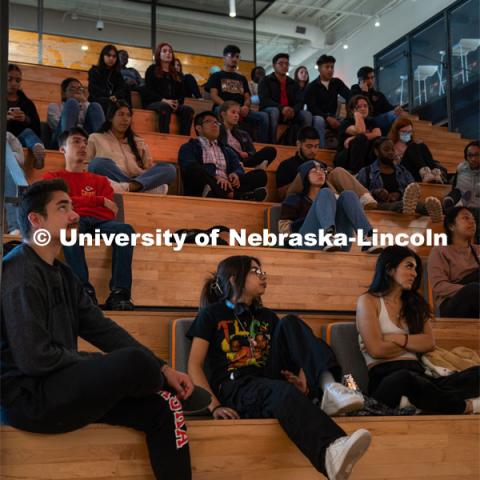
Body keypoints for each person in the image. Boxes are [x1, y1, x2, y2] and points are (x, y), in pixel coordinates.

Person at [1, 179, 194, 480]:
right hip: (30, 398)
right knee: (134, 363)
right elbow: (34, 359)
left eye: (73, 207)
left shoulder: (63, 273)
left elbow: (102, 328)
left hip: (64, 389)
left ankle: (161, 383)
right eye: (63, 208)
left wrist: (165, 368)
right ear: (35, 220)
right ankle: (151, 378)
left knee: (163, 406)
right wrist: (105, 365)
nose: (75, 215)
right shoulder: (19, 271)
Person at [187, 255, 372, 479]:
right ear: (234, 279)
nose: (263, 276)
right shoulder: (211, 315)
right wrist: (214, 406)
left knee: (291, 322)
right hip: (236, 386)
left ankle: (330, 387)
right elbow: (194, 366)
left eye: (262, 271)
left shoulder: (268, 317)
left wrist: (300, 379)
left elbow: (289, 356)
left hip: (267, 379)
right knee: (281, 392)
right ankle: (329, 451)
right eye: (255, 271)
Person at [357, 245, 479, 413]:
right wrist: (415, 343)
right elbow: (377, 349)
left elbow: (429, 343)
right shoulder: (368, 301)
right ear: (389, 269)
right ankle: (467, 406)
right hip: (387, 379)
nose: (414, 273)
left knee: (475, 374)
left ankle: (417, 403)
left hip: (421, 375)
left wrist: (396, 338)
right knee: (405, 379)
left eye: (415, 268)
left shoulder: (415, 304)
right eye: (409, 266)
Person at [43, 127, 135, 309]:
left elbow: (110, 212)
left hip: (100, 223)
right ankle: (84, 291)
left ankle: (119, 293)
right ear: (62, 149)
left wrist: (73, 204)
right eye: (76, 141)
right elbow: (54, 206)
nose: (83, 146)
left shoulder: (100, 180)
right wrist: (97, 201)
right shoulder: (53, 178)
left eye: (85, 142)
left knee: (126, 230)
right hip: (73, 223)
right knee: (70, 227)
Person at [280, 160, 381, 253]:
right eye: (314, 170)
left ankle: (368, 239)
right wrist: (316, 217)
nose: (320, 173)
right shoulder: (295, 198)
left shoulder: (333, 197)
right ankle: (328, 236)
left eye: (322, 170)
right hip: (307, 242)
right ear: (305, 176)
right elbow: (284, 231)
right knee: (325, 193)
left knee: (348, 194)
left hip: (339, 242)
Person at [87, 100, 176, 194]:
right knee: (97, 164)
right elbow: (86, 166)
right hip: (112, 179)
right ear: (110, 118)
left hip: (137, 178)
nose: (125, 119)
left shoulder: (138, 142)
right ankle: (139, 188)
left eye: (128, 115)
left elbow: (148, 168)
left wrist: (146, 178)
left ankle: (132, 187)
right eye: (121, 114)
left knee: (170, 169)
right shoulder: (95, 138)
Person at [275, 127, 377, 207]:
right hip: (300, 198)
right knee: (313, 168)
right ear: (298, 145)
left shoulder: (320, 163)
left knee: (337, 170)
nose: (313, 151)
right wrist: (308, 175)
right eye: (309, 146)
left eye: (316, 146)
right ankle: (331, 196)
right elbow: (283, 195)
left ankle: (364, 197)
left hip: (321, 197)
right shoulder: (286, 164)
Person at [178, 111, 268, 201]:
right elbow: (189, 167)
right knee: (194, 169)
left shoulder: (226, 149)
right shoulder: (189, 147)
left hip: (227, 184)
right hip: (205, 185)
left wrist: (235, 173)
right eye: (209, 121)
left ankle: (225, 194)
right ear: (198, 128)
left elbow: (238, 166)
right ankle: (237, 196)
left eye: (217, 122)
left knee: (260, 175)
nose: (215, 124)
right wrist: (215, 176)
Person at [356, 137, 443, 222]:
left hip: (401, 201)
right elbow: (358, 194)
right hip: (378, 204)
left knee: (423, 206)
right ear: (376, 152)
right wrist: (375, 192)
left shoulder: (402, 170)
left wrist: (399, 193)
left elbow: (414, 188)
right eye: (386, 150)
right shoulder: (366, 172)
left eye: (392, 150)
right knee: (400, 205)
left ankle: (439, 214)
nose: (390, 152)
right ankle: (407, 208)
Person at [205, 45, 269, 143]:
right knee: (219, 111)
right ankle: (222, 142)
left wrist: (246, 106)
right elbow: (214, 95)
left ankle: (263, 144)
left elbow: (247, 97)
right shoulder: (216, 76)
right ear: (224, 58)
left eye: (237, 57)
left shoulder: (242, 78)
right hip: (223, 107)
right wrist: (227, 107)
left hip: (240, 109)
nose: (235, 59)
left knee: (264, 116)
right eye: (232, 56)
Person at [428, 206, 479, 318]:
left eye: (474, 220)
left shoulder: (478, 250)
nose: (472, 222)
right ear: (451, 226)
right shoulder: (440, 251)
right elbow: (439, 285)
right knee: (473, 290)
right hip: (451, 304)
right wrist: (467, 289)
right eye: (466, 218)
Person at [259, 53, 312, 145]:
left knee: (307, 115)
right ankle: (272, 144)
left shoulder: (293, 83)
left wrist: (293, 110)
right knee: (274, 111)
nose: (284, 66)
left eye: (287, 64)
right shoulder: (266, 80)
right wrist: (282, 108)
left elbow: (300, 101)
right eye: (281, 63)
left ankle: (305, 144)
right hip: (271, 109)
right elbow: (265, 100)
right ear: (274, 66)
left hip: (290, 112)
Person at [143, 43, 194, 135]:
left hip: (172, 104)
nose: (168, 53)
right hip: (155, 102)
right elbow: (148, 90)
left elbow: (181, 94)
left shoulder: (176, 73)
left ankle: (184, 138)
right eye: (165, 51)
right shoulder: (152, 69)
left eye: (170, 51)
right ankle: (164, 136)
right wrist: (164, 100)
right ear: (159, 54)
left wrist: (177, 102)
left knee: (188, 110)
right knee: (164, 106)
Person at [305, 55, 351, 148]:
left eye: (332, 67)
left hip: (334, 116)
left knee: (348, 121)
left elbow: (349, 96)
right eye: (327, 67)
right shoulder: (311, 86)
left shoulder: (337, 82)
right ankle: (321, 149)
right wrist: (327, 117)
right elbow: (312, 107)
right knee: (319, 121)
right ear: (319, 69)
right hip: (318, 116)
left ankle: (344, 150)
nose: (330, 70)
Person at [47, 77, 105, 148]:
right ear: (63, 94)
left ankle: (101, 147)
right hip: (61, 140)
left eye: (80, 89)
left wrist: (84, 101)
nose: (77, 91)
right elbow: (56, 125)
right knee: (72, 102)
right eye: (72, 89)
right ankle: (69, 144)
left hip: (85, 140)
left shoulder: (87, 106)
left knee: (96, 105)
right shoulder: (54, 106)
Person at [218, 101, 276, 169]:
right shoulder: (217, 131)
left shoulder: (243, 134)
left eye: (238, 113)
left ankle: (256, 167)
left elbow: (252, 151)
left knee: (270, 150)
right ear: (223, 114)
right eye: (233, 112)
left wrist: (248, 154)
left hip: (245, 161)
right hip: (230, 160)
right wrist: (238, 153)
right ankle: (256, 167)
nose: (236, 115)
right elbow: (222, 148)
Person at [7, 63, 45, 168]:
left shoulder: (27, 103)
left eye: (18, 80)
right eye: (9, 79)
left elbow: (37, 127)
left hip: (20, 139)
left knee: (28, 132)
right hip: (4, 137)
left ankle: (38, 150)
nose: (14, 83)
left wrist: (26, 119)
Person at [388, 117, 446, 184]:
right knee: (413, 146)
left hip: (417, 172)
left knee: (421, 145)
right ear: (396, 132)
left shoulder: (414, 146)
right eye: (404, 132)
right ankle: (426, 174)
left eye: (409, 132)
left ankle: (435, 174)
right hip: (405, 174)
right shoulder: (391, 146)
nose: (407, 134)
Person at [351, 66, 405, 135]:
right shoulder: (354, 91)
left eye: (372, 77)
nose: (370, 81)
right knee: (392, 115)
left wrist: (396, 108)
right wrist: (365, 92)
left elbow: (388, 108)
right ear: (360, 80)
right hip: (363, 120)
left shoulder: (378, 95)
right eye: (367, 78)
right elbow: (359, 107)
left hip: (378, 120)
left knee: (396, 114)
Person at [334, 95, 381, 174]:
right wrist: (357, 115)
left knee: (378, 141)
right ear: (352, 110)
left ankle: (374, 171)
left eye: (365, 106)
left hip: (364, 158)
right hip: (345, 159)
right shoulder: (346, 122)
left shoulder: (371, 121)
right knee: (361, 138)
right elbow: (360, 131)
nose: (363, 108)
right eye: (358, 107)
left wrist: (353, 138)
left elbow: (378, 134)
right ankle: (356, 173)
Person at [443, 141, 480, 242]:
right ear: (466, 157)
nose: (473, 159)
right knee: (449, 210)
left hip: (477, 209)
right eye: (470, 155)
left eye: (477, 155)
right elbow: (457, 189)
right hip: (463, 206)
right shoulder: (461, 168)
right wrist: (450, 198)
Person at [88, 44, 130, 115]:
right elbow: (93, 89)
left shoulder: (117, 74)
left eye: (114, 56)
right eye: (108, 55)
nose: (111, 58)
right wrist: (109, 97)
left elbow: (122, 88)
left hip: (114, 99)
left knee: (124, 103)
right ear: (103, 56)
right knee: (108, 103)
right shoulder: (94, 71)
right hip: (98, 99)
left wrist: (115, 96)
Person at [4, 134, 29, 235]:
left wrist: (7, 153)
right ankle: (17, 226)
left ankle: (16, 227)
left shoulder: (8, 136)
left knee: (11, 171)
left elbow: (21, 160)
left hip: (6, 173)